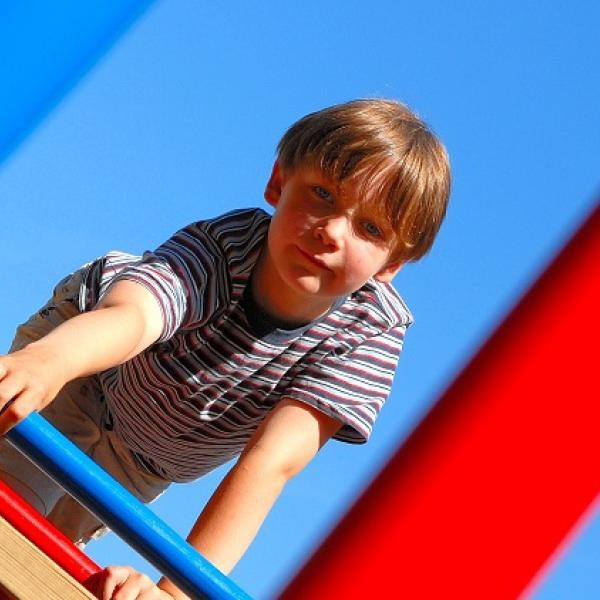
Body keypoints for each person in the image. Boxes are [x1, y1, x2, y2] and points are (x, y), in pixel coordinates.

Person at [0, 98, 450, 599]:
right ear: (278, 182)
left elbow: (270, 462)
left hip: (149, 458)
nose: (332, 231)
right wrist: (46, 363)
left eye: (369, 228)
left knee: (39, 572)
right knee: (10, 519)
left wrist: (175, 592)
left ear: (393, 265)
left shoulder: (366, 336)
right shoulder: (228, 246)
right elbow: (135, 317)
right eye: (322, 193)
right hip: (85, 371)